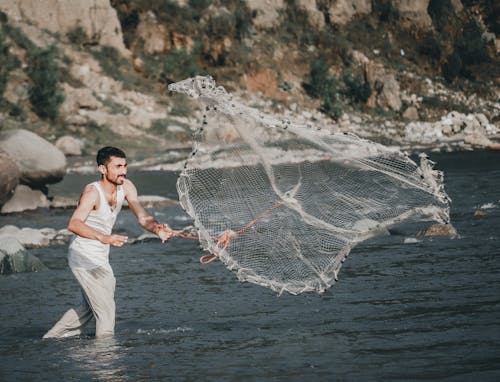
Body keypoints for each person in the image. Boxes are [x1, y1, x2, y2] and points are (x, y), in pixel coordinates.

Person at [43, 146, 172, 339]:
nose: (124, 170)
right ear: (103, 169)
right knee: (106, 311)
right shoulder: (92, 192)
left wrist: (157, 229)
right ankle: (105, 359)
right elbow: (74, 223)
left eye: (125, 165)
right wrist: (104, 237)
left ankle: (50, 340)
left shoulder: (127, 187)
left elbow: (143, 217)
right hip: (83, 256)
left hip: (101, 257)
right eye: (118, 166)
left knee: (89, 309)